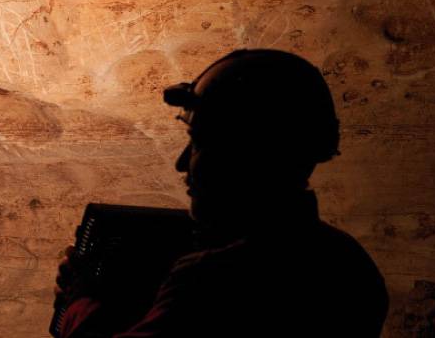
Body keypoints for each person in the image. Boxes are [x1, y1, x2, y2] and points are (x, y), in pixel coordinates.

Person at [56, 49, 388, 337]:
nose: (181, 163)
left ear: (242, 155)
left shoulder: (211, 280)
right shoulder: (350, 263)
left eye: (199, 142)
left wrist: (77, 304)